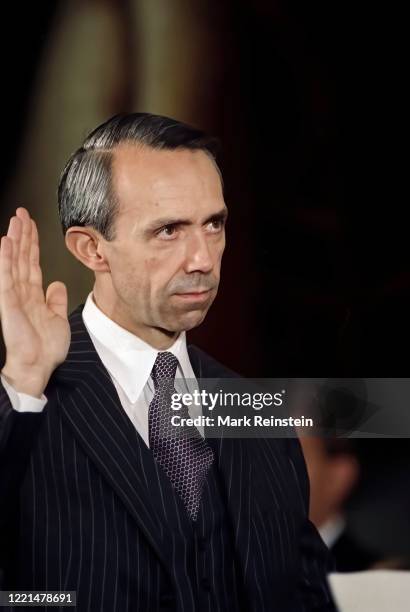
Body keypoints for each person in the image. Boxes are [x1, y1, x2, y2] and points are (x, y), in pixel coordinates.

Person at [0, 113, 335, 611]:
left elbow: (307, 593)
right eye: (169, 230)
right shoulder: (28, 396)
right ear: (91, 248)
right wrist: (23, 384)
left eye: (214, 225)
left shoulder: (255, 410)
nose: (202, 258)